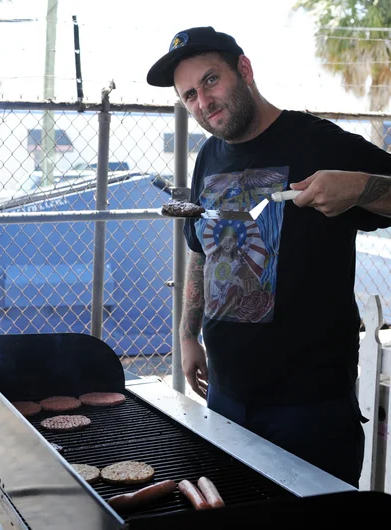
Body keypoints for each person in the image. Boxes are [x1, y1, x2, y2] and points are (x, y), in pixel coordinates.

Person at [147, 26, 391, 488]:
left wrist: (358, 186)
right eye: (190, 95)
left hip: (311, 409)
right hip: (226, 396)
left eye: (211, 80)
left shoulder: (318, 142)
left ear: (244, 69)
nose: (204, 102)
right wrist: (187, 335)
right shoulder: (208, 158)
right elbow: (201, 250)